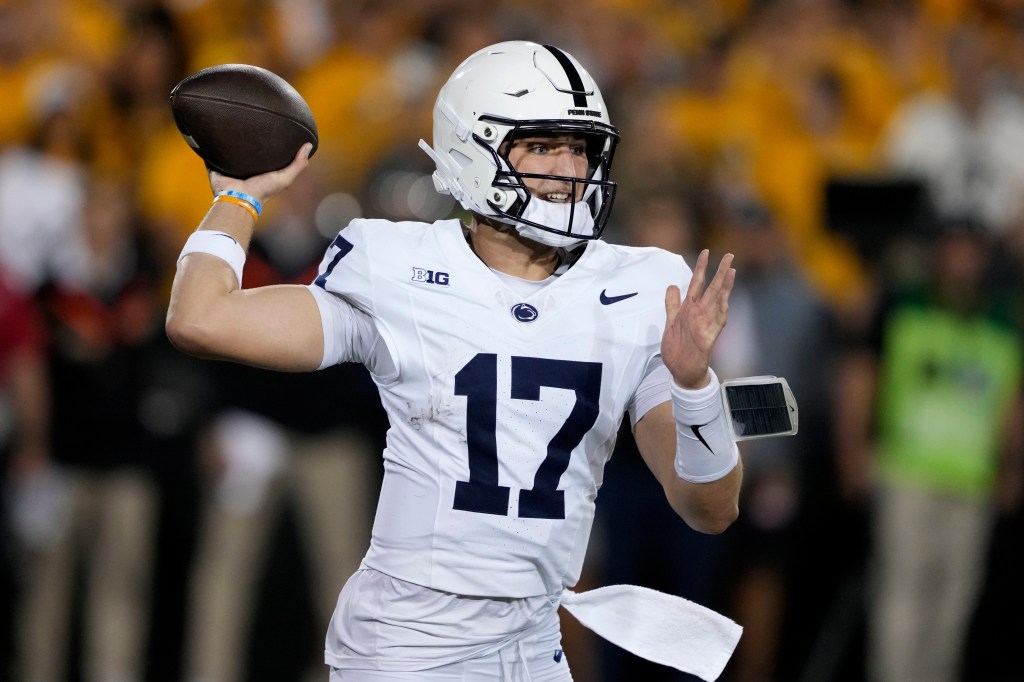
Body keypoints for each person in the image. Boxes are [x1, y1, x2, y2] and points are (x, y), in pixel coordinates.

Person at [166, 41, 744, 681]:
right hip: (405, 645)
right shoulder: (399, 266)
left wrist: (694, 386)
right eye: (545, 145)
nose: (571, 168)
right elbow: (200, 318)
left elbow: (709, 509)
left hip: (534, 643)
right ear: (473, 150)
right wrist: (239, 197)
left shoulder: (641, 288)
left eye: (580, 148)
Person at [836, 215, 1023, 682]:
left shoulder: (1003, 320)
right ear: (937, 252)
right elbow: (861, 378)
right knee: (901, 596)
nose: (961, 259)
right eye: (953, 247)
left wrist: (1011, 466)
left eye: (971, 249)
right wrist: (853, 449)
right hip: (907, 472)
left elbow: (1012, 399)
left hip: (971, 477)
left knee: (954, 603)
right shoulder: (904, 306)